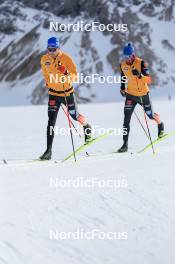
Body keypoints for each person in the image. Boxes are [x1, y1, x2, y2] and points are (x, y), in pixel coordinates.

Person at [40, 37, 91, 160]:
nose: (51, 52)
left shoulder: (66, 58)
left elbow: (75, 77)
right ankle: (48, 151)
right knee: (50, 122)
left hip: (66, 94)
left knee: (75, 116)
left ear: (58, 48)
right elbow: (45, 73)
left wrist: (66, 72)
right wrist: (48, 83)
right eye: (49, 49)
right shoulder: (44, 59)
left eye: (53, 49)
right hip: (53, 94)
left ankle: (87, 126)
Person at [118, 43, 164, 153]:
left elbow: (149, 80)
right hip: (130, 95)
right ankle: (125, 145)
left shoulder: (141, 63)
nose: (127, 59)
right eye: (125, 56)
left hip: (143, 95)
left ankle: (160, 124)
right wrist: (122, 88)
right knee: (126, 120)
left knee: (150, 115)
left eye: (129, 56)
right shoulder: (123, 65)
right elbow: (123, 77)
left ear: (133, 55)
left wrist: (140, 75)